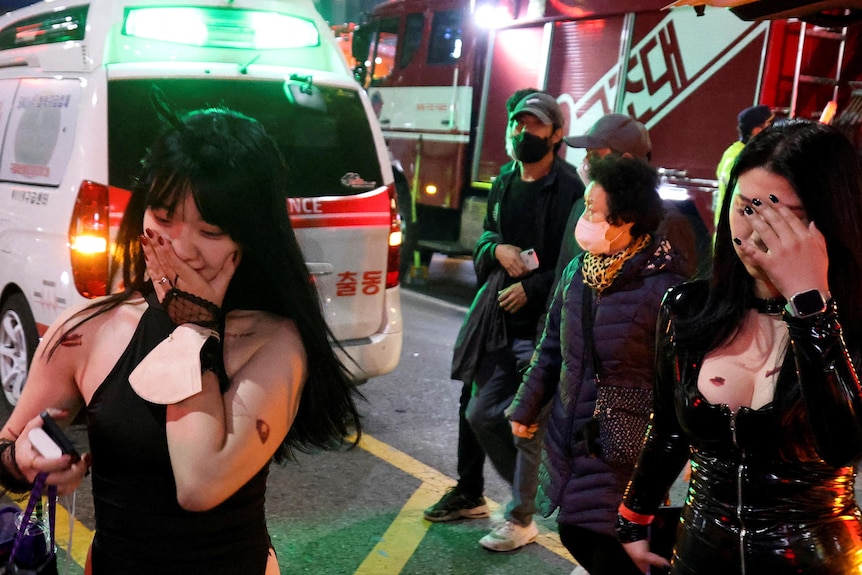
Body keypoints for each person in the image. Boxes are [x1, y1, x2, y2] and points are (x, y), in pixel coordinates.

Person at [0, 108, 362, 574]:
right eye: (164, 217)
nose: (182, 248)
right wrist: (23, 460)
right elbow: (7, 448)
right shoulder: (87, 330)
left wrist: (191, 327)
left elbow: (200, 483)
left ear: (250, 237)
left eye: (210, 231)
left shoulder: (273, 341)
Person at [619, 118, 862, 575]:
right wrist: (634, 518)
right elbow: (669, 428)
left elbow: (844, 445)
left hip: (820, 560)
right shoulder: (688, 307)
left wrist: (811, 309)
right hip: (699, 555)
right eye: (747, 207)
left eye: (787, 217)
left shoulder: (849, 325)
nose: (756, 235)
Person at [508, 155, 688, 575]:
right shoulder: (578, 271)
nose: (584, 216)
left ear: (624, 220)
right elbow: (551, 345)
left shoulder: (665, 288)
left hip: (626, 444)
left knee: (608, 540)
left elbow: (681, 380)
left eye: (592, 209)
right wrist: (526, 405)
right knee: (575, 528)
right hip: (573, 428)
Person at [428, 90, 584, 552]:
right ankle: (516, 496)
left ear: (556, 135)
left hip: (541, 329)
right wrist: (495, 250)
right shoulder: (503, 183)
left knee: (526, 425)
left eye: (535, 125)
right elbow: (486, 240)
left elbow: (570, 262)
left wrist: (531, 289)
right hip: (497, 323)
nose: (523, 131)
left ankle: (520, 514)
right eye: (518, 122)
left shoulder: (569, 189)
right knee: (479, 412)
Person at [561, 113, 701, 280]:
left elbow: (679, 288)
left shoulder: (667, 222)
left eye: (596, 155)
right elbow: (562, 278)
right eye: (587, 153)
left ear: (625, 161)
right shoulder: (581, 208)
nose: (586, 162)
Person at [714, 104, 774, 230]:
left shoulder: (738, 151)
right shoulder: (741, 157)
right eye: (770, 124)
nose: (774, 129)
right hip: (735, 236)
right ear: (758, 131)